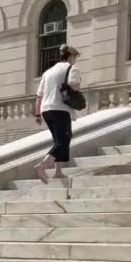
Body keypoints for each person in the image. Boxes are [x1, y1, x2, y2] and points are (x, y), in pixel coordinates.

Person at [34, 44, 80, 181]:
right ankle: (42, 166)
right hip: (60, 108)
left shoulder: (48, 73)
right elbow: (74, 86)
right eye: (75, 57)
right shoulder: (72, 69)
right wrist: (79, 83)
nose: (75, 60)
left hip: (46, 110)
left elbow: (39, 95)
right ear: (71, 56)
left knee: (58, 140)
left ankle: (58, 171)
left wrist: (37, 114)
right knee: (63, 140)